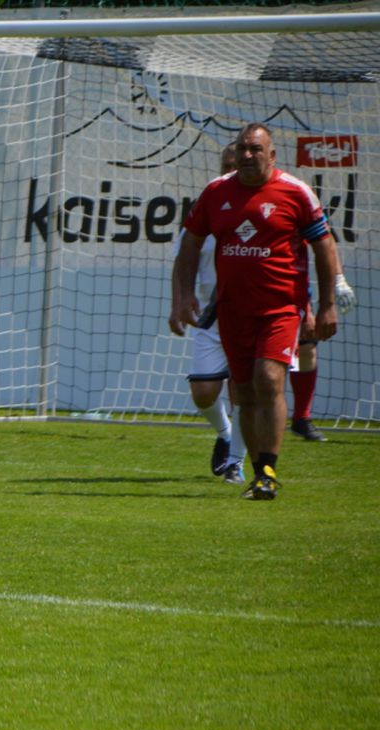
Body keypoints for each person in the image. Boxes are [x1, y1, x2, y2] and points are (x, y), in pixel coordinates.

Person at [172, 123, 341, 500]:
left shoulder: (295, 192)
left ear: (272, 154)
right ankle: (250, 468)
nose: (248, 155)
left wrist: (327, 304)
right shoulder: (217, 192)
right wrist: (182, 297)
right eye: (243, 148)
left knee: (268, 380)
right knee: (244, 393)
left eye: (255, 149)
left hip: (280, 308)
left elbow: (325, 248)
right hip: (232, 311)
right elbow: (189, 245)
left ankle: (267, 471)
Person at [168, 146, 247, 485]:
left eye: (235, 166)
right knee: (202, 393)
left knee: (244, 391)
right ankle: (226, 432)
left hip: (250, 314)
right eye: (225, 165)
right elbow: (182, 259)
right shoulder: (208, 208)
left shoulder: (260, 206)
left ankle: (236, 462)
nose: (229, 172)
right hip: (210, 316)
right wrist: (178, 303)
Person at [288, 267, 356, 442]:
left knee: (307, 346)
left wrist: (339, 279)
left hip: (293, 290)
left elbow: (326, 244)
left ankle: (301, 417)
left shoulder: (304, 240)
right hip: (249, 288)